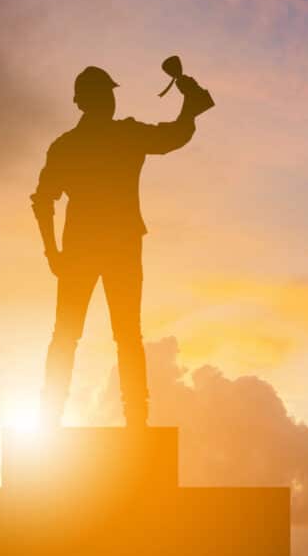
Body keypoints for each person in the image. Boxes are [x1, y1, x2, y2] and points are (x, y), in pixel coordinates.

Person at [30, 65, 212, 428]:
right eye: (105, 94)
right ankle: (131, 421)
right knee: (120, 335)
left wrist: (53, 253)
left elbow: (43, 201)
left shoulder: (69, 145)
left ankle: (58, 421)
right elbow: (174, 135)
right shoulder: (118, 137)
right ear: (88, 100)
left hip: (86, 250)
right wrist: (190, 107)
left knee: (81, 335)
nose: (110, 100)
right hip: (115, 248)